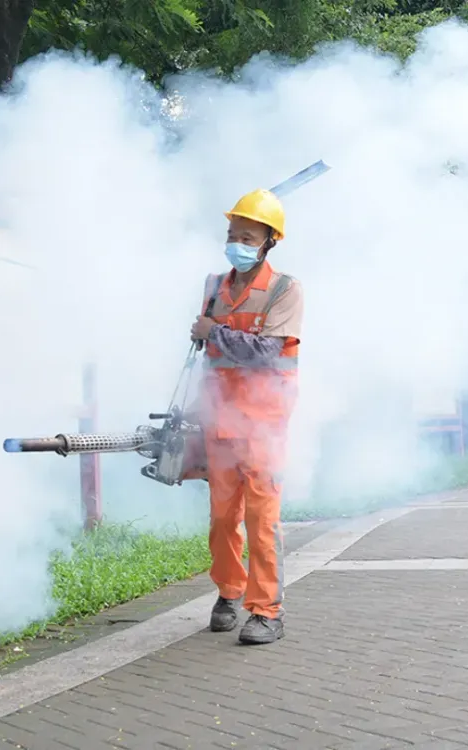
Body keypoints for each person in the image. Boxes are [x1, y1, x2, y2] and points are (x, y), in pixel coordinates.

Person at [188, 188, 304, 645]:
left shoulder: (285, 290)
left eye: (247, 235)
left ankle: (266, 611)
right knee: (221, 519)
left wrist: (212, 331)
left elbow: (264, 354)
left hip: (264, 424)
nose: (236, 241)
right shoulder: (214, 286)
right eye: (232, 233)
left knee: (261, 519)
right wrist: (204, 334)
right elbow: (206, 347)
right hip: (219, 421)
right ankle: (229, 593)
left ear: (269, 241)